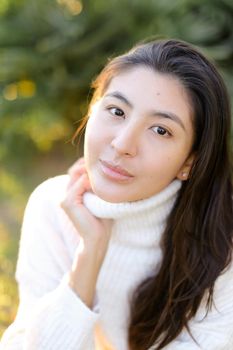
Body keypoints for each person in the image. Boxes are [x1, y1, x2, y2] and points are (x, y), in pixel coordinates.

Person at [0, 38, 232, 350]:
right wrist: (89, 253)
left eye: (161, 130)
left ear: (189, 162)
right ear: (93, 110)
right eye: (116, 111)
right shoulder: (53, 206)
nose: (123, 143)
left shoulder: (222, 241)